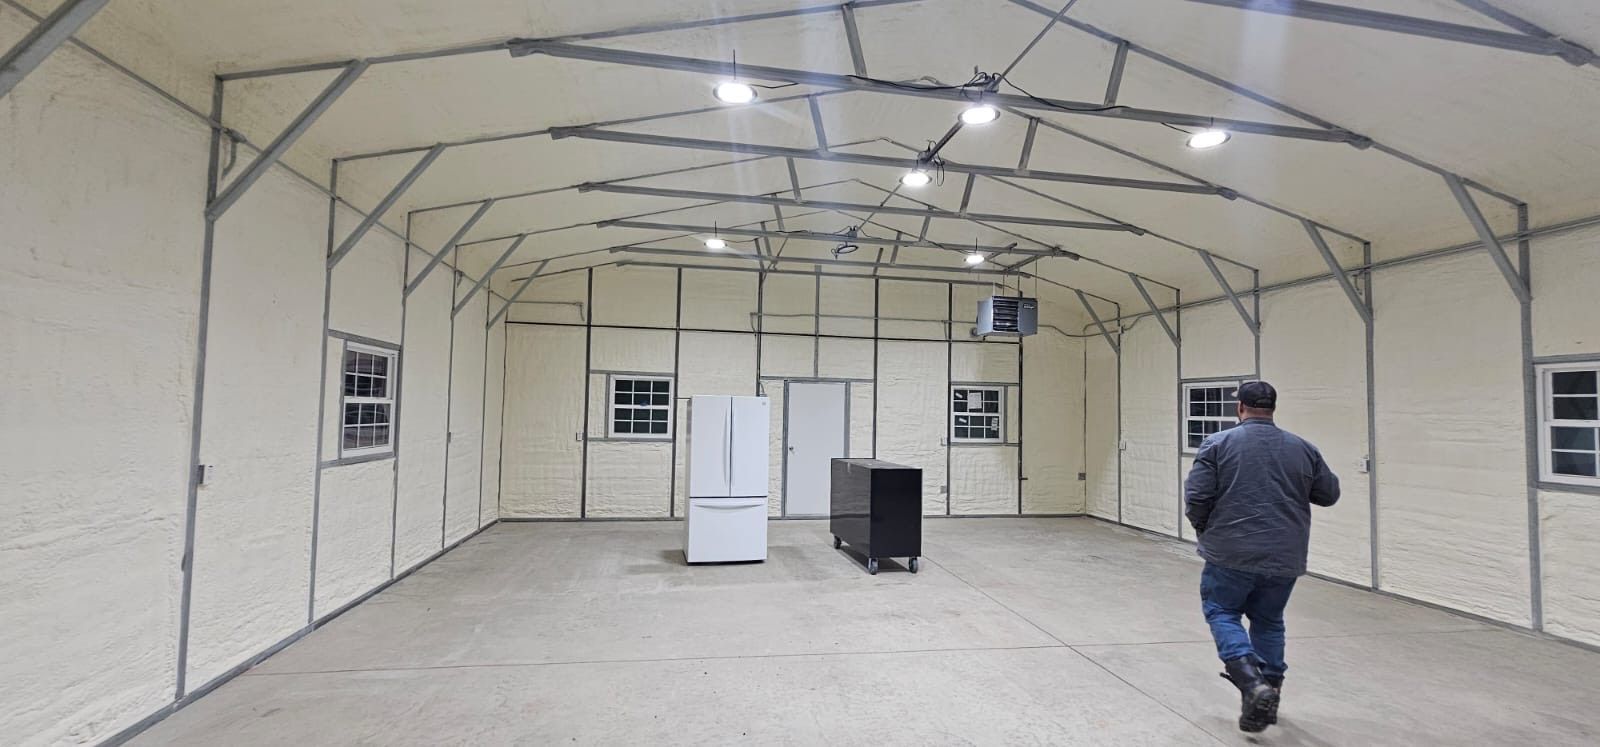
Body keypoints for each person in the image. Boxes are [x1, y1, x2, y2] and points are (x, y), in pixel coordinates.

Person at [1184, 380, 1340, 733]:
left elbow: (1197, 497)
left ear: (1240, 407)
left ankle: (1251, 683)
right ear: (1272, 409)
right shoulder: (1303, 448)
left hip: (1231, 552)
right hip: (1285, 555)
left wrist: (1204, 529)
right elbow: (1328, 494)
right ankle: (1269, 692)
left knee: (1222, 611)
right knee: (1269, 620)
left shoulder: (1218, 444)